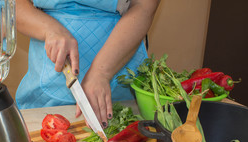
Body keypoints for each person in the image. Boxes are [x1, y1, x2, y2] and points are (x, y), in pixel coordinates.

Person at [15, 0, 160, 128]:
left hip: (121, 87)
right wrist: (49, 29)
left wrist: (101, 73)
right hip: (44, 92)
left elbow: (144, 5)